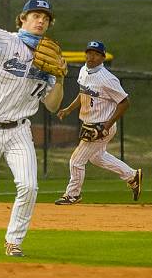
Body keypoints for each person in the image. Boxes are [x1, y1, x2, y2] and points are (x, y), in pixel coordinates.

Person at [0, 0, 66, 257]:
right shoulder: (3, 40)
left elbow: (53, 106)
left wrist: (61, 79)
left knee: (29, 186)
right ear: (22, 19)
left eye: (45, 17)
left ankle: (14, 241)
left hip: (19, 130)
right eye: (35, 15)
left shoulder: (48, 61)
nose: (41, 20)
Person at [55, 40, 141, 205]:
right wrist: (69, 109)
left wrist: (106, 127)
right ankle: (132, 175)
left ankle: (73, 194)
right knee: (96, 157)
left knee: (76, 160)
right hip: (90, 123)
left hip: (101, 125)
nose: (91, 56)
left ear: (103, 57)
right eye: (89, 52)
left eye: (95, 54)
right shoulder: (83, 70)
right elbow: (83, 93)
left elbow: (125, 102)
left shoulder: (107, 79)